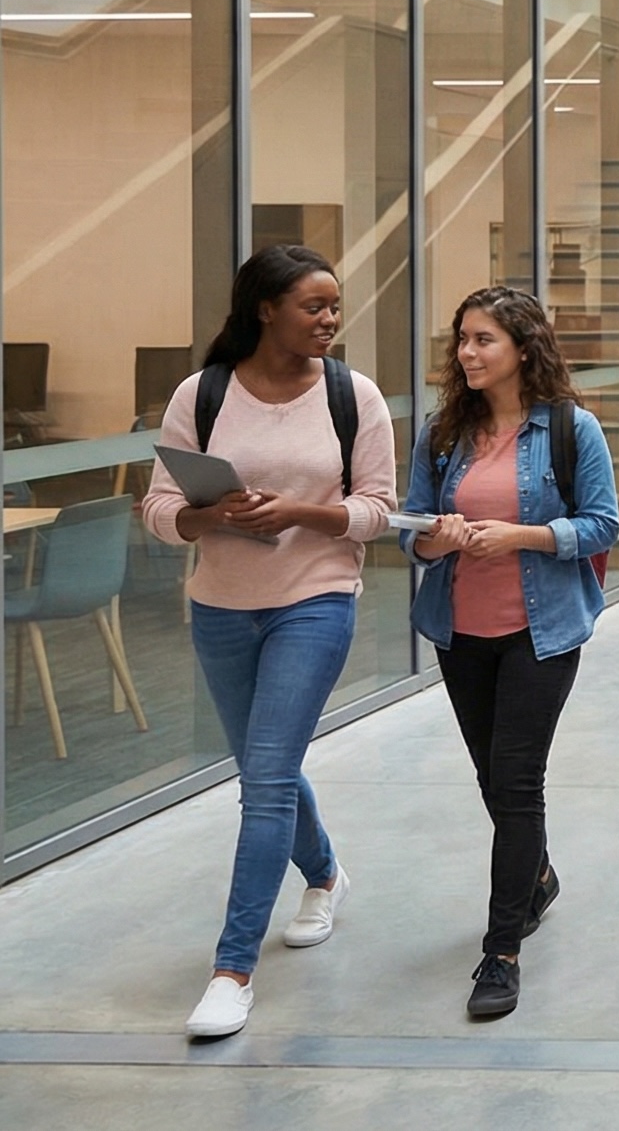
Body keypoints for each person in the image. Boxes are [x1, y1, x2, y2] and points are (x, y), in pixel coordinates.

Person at [141, 245, 399, 1041]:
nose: (329, 319)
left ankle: (232, 972)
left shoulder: (353, 395)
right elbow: (158, 509)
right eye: (313, 306)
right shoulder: (202, 393)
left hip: (315, 599)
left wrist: (298, 513)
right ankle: (324, 874)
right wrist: (208, 515)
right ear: (265, 309)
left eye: (334, 306)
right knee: (265, 769)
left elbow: (378, 511)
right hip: (221, 606)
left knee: (265, 782)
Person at [403, 286, 619, 1019]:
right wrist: (438, 538)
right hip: (461, 632)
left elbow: (602, 525)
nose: (467, 353)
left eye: (483, 340)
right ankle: (538, 878)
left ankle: (501, 953)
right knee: (492, 780)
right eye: (462, 339)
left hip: (541, 632)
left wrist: (521, 537)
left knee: (518, 781)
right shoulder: (442, 434)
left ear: (523, 349)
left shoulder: (570, 429)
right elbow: (412, 534)